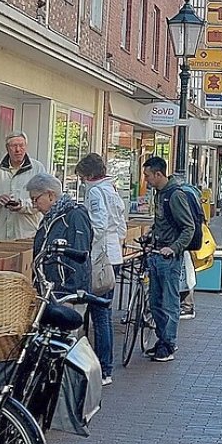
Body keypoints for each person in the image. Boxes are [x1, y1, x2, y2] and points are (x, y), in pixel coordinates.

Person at [140, 156, 201, 362]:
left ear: (158, 174)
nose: (145, 180)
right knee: (155, 301)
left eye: (148, 176)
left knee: (169, 302)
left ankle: (169, 343)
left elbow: (189, 227)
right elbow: (162, 223)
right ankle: (162, 340)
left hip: (169, 258)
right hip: (157, 254)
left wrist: (173, 248)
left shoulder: (174, 195)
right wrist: (150, 236)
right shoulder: (160, 194)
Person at [76, 153, 124, 384]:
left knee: (100, 315)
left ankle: (104, 368)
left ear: (89, 174)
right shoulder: (112, 189)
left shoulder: (95, 192)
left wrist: (86, 246)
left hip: (100, 257)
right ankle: (105, 366)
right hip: (113, 254)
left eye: (82, 176)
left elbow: (99, 224)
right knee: (104, 312)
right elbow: (120, 222)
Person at [26, 173, 93, 294]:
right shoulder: (48, 219)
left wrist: (73, 294)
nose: (34, 205)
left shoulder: (75, 216)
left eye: (35, 199)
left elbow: (80, 259)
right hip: (49, 291)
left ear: (50, 195)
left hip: (67, 294)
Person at [0, 132, 50, 242]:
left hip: (27, 235)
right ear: (7, 148)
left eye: (21, 145)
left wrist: (22, 205)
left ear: (26, 147)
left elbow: (45, 202)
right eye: (14, 146)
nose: (18, 150)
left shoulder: (37, 169)